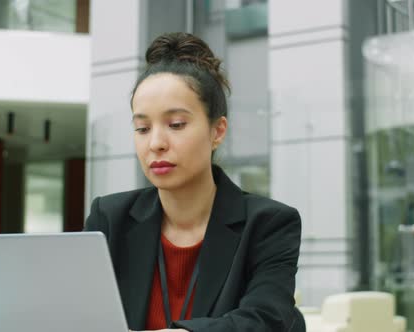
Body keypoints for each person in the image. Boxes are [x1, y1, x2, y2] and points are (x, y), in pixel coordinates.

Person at [84, 32, 302, 332]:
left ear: (218, 131)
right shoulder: (109, 217)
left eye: (176, 125)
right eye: (142, 128)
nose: (156, 143)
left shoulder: (269, 223)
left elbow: (265, 320)